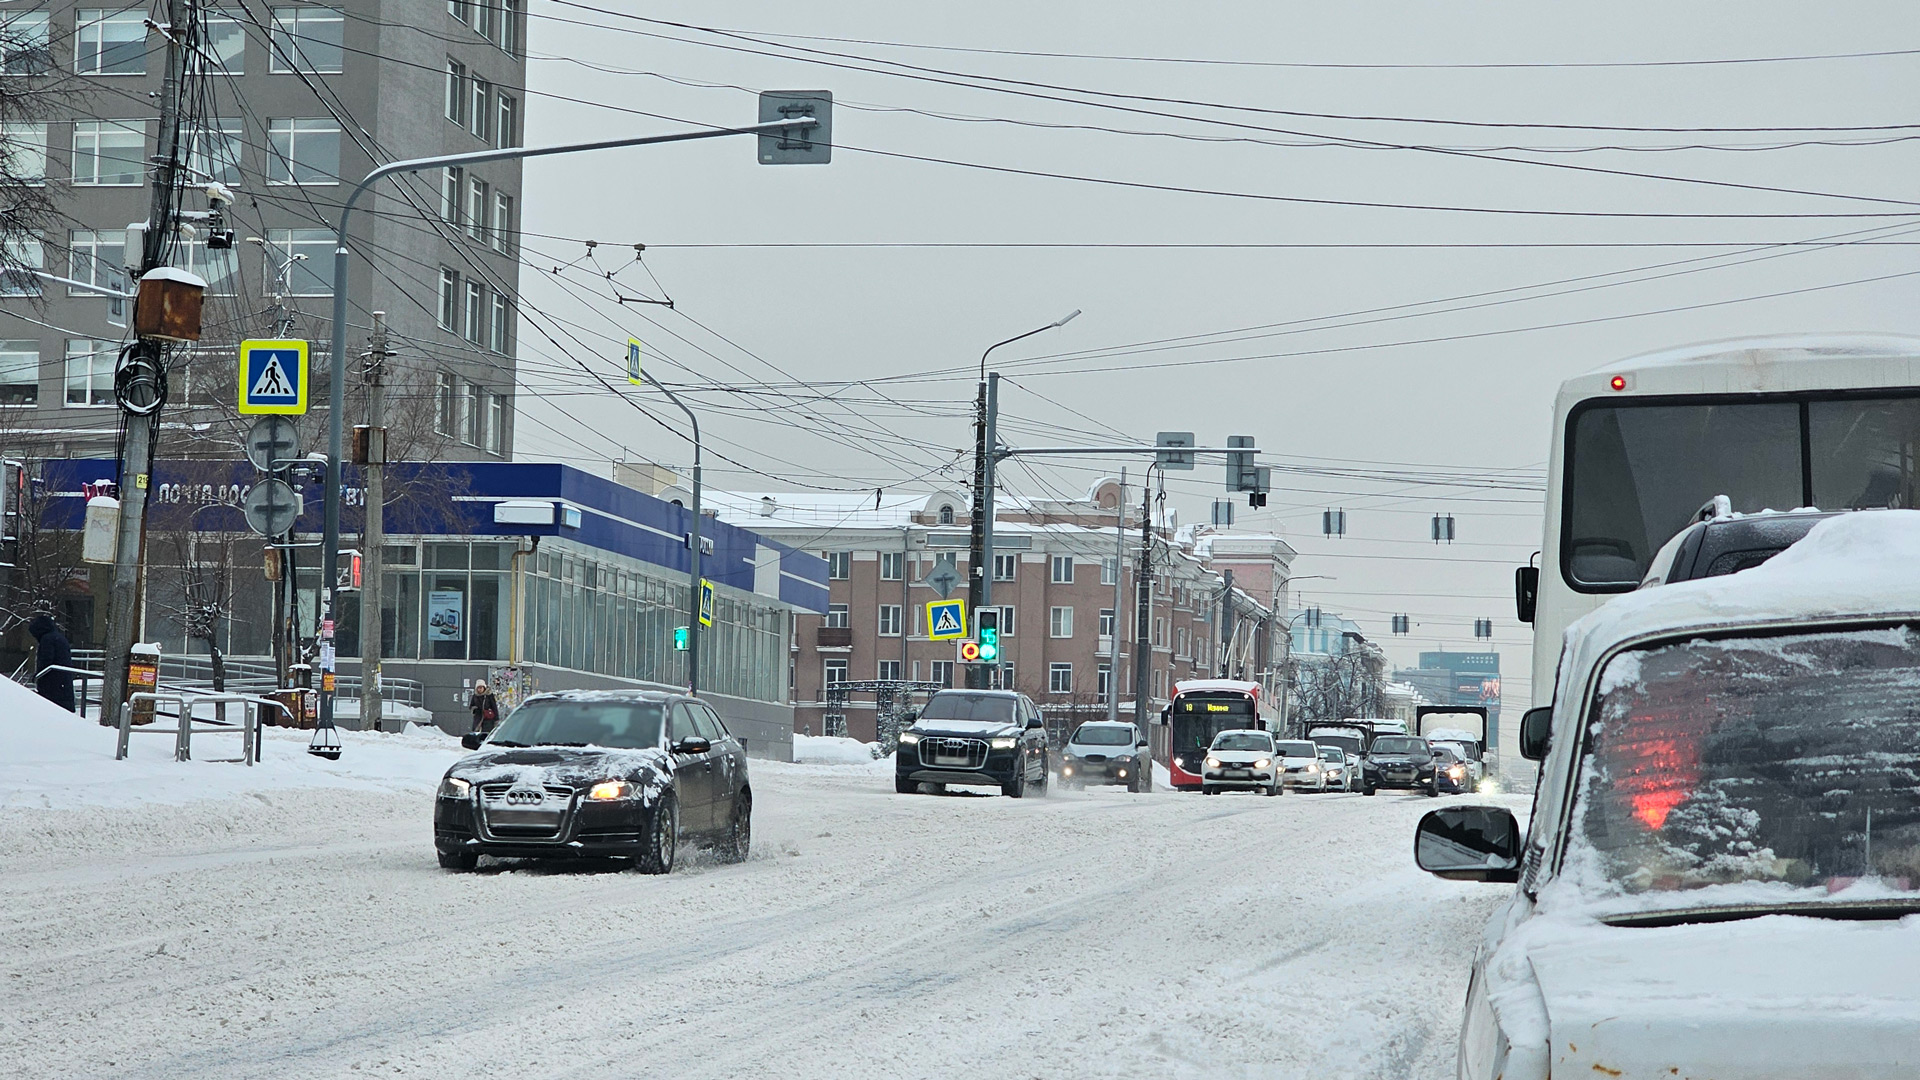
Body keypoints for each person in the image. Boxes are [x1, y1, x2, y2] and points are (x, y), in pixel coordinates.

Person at [27, 613, 76, 713]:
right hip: (62, 682)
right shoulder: (58, 637)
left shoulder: (47, 640)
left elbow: (46, 660)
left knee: (50, 709)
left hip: (52, 683)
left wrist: (37, 675)